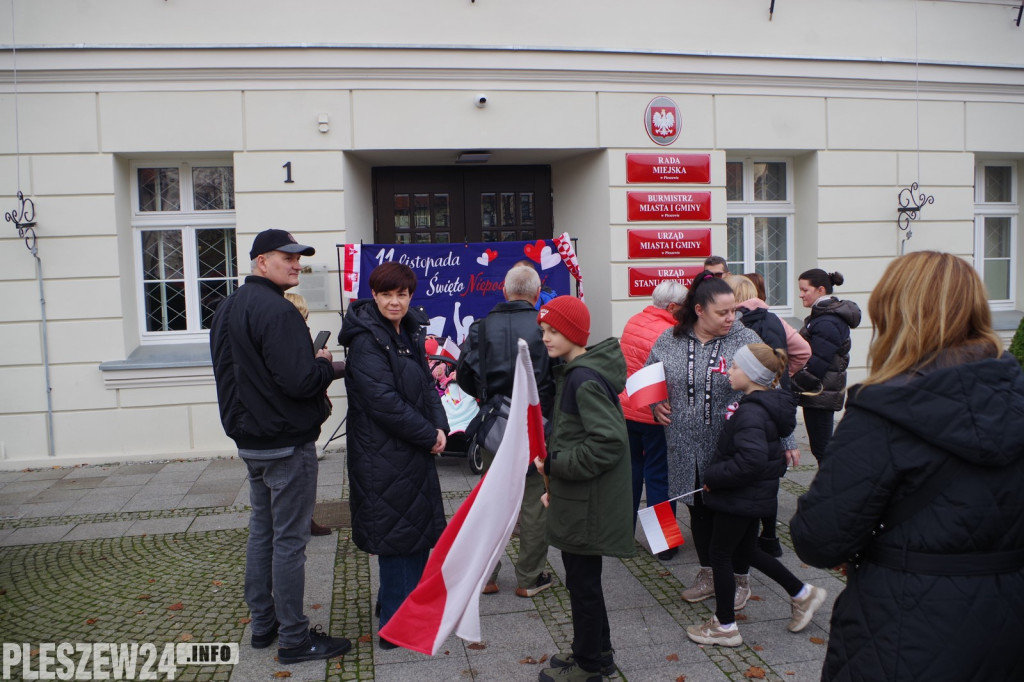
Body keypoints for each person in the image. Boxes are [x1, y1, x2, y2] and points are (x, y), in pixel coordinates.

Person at [790, 251, 1024, 682]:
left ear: (893, 314)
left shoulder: (882, 411)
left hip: (902, 628)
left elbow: (818, 538)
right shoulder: (1015, 397)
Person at [210, 228, 351, 664]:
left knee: (262, 533)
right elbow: (300, 381)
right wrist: (323, 364)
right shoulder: (279, 310)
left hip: (251, 441)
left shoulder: (227, 306)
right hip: (286, 443)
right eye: (287, 258)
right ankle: (293, 638)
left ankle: (263, 624)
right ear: (261, 262)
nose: (296, 265)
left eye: (298, 258)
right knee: (289, 541)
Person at [339, 261, 449, 651]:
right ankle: (395, 627)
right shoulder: (367, 339)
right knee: (399, 538)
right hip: (382, 454)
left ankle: (396, 604)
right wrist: (427, 434)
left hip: (407, 450)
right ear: (374, 295)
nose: (394, 302)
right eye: (386, 294)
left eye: (401, 294)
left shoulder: (406, 330)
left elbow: (426, 385)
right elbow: (382, 402)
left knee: (414, 533)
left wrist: (440, 428)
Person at [686, 343, 826, 648]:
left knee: (720, 554)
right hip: (750, 496)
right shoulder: (762, 406)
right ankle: (802, 593)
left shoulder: (751, 413)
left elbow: (750, 461)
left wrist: (713, 477)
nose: (729, 371)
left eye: (735, 367)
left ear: (751, 374)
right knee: (746, 550)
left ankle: (725, 626)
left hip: (739, 497)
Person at [533, 295, 633, 682]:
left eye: (554, 331)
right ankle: (596, 653)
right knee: (582, 582)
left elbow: (608, 443)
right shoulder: (575, 371)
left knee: (583, 585)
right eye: (544, 330)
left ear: (574, 334)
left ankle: (590, 666)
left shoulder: (582, 378)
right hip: (577, 498)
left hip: (586, 505)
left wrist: (555, 466)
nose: (546, 337)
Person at [647, 271, 762, 606]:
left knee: (735, 516)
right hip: (684, 444)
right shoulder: (670, 339)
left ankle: (740, 580)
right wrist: (655, 403)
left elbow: (772, 386)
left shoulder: (746, 339)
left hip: (731, 446)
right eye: (722, 312)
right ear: (699, 310)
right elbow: (649, 373)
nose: (731, 318)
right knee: (697, 510)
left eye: (733, 311)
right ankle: (709, 574)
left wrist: (784, 442)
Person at [456, 264, 556, 597]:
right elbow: (558, 374)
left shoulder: (480, 328)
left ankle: (486, 576)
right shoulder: (546, 328)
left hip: (494, 425)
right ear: (537, 294)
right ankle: (530, 577)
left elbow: (464, 375)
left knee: (493, 500)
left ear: (504, 291)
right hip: (537, 424)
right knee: (535, 503)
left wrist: (488, 399)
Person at [726, 273, 809, 556]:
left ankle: (745, 538)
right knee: (769, 471)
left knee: (748, 464)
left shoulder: (737, 324)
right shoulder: (775, 319)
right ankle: (770, 538)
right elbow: (803, 351)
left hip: (748, 401)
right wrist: (782, 375)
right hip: (777, 399)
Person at [618, 279, 687, 559]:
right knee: (659, 477)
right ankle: (664, 544)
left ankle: (622, 536)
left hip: (628, 409)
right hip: (655, 415)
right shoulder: (670, 333)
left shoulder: (634, 320)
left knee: (631, 473)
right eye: (684, 306)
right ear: (671, 307)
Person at [283, 291, 343, 537]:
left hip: (298, 420)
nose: (306, 323)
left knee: (301, 475)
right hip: (297, 422)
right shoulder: (290, 340)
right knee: (302, 475)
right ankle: (300, 523)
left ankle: (304, 519)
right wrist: (324, 362)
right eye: (303, 316)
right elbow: (306, 378)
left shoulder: (289, 337)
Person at [791, 268, 861, 463]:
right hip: (819, 391)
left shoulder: (827, 321)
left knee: (823, 450)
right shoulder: (822, 316)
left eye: (805, 290)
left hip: (820, 392)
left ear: (820, 290)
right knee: (822, 448)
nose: (800, 294)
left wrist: (793, 386)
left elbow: (818, 363)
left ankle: (836, 481)